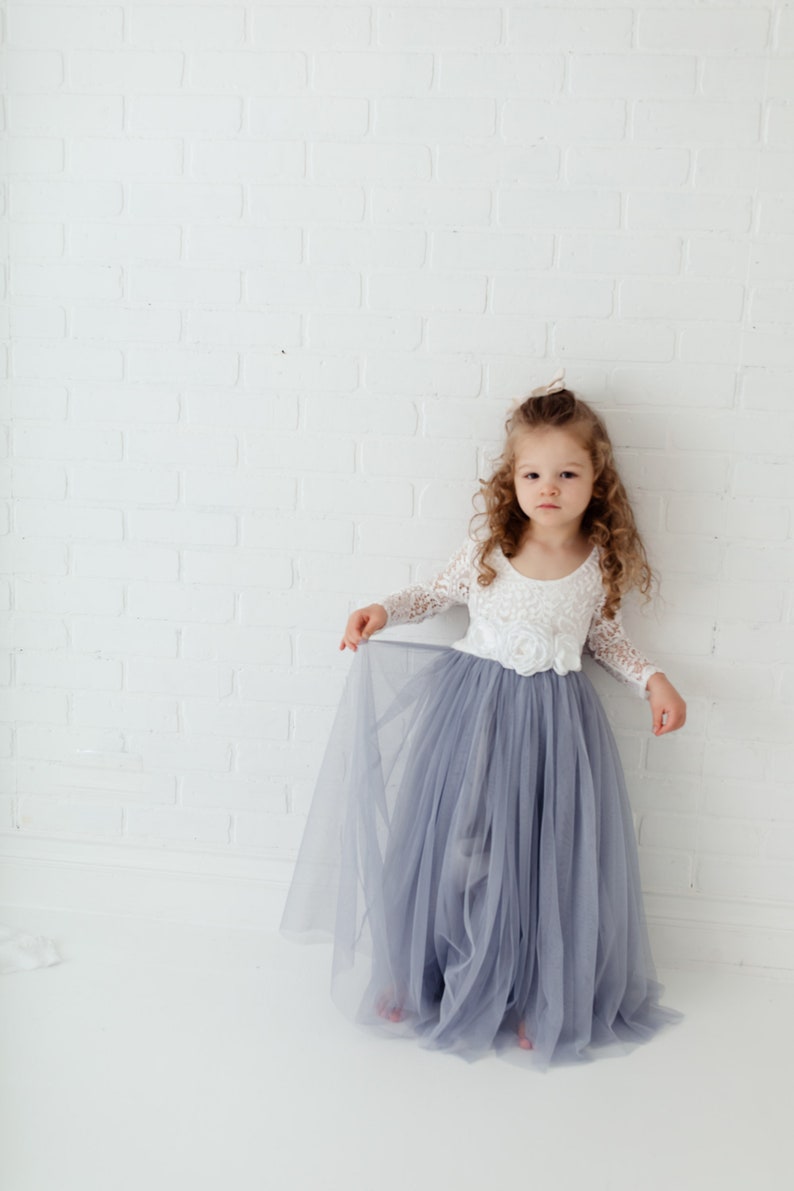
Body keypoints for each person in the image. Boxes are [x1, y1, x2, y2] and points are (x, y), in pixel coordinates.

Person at [281, 370, 686, 1070]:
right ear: (512, 479)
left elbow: (606, 641)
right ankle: (422, 973)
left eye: (567, 472)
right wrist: (383, 609)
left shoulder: (596, 566)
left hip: (555, 734)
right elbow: (436, 593)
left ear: (599, 481)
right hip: (473, 721)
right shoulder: (490, 552)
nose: (549, 487)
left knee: (541, 862)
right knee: (455, 849)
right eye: (533, 472)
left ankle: (540, 994)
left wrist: (652, 679)